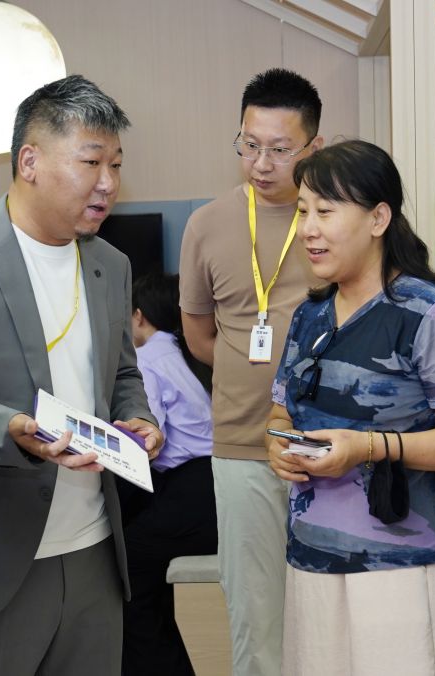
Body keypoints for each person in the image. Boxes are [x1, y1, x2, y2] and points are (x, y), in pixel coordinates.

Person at [0, 75, 163, 676]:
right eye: (91, 162)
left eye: (116, 164)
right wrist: (11, 430)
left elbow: (123, 372)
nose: (108, 183)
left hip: (93, 546)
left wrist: (138, 417)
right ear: (30, 162)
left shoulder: (111, 264)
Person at [265, 140, 435, 675]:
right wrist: (277, 446)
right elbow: (280, 415)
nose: (309, 229)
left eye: (325, 211)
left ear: (378, 219)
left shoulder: (429, 314)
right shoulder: (309, 316)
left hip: (396, 564)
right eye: (302, 212)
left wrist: (367, 447)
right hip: (310, 558)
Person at [179, 67, 324, 676]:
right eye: (249, 144)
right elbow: (199, 335)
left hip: (330, 444)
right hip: (241, 445)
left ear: (313, 147)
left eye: (280, 149)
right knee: (256, 618)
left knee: (329, 613)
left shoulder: (332, 219)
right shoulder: (208, 223)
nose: (261, 163)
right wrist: (257, 375)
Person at [119, 273, 217, 676]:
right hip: (218, 486)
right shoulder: (189, 352)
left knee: (126, 564)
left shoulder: (147, 360)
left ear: (138, 316)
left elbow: (146, 436)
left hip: (192, 490)